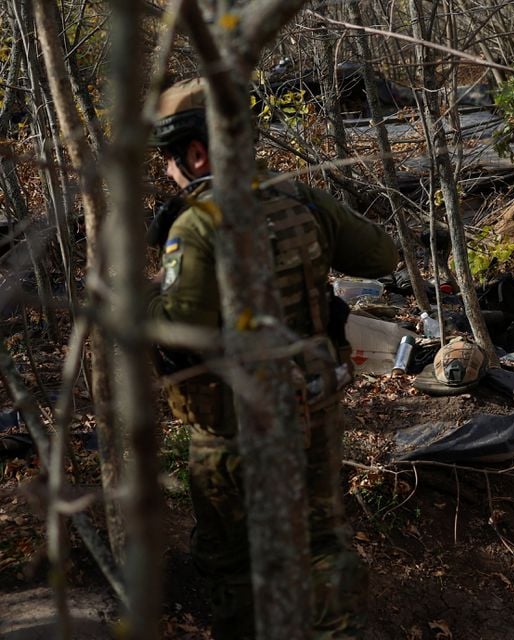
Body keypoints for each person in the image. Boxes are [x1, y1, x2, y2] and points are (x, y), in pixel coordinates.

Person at [147, 78, 398, 639]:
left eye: (169, 159)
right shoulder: (300, 199)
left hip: (234, 424)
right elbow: (383, 255)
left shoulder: (196, 223)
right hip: (314, 411)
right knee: (321, 542)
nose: (167, 173)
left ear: (197, 151)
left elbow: (175, 329)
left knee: (233, 561)